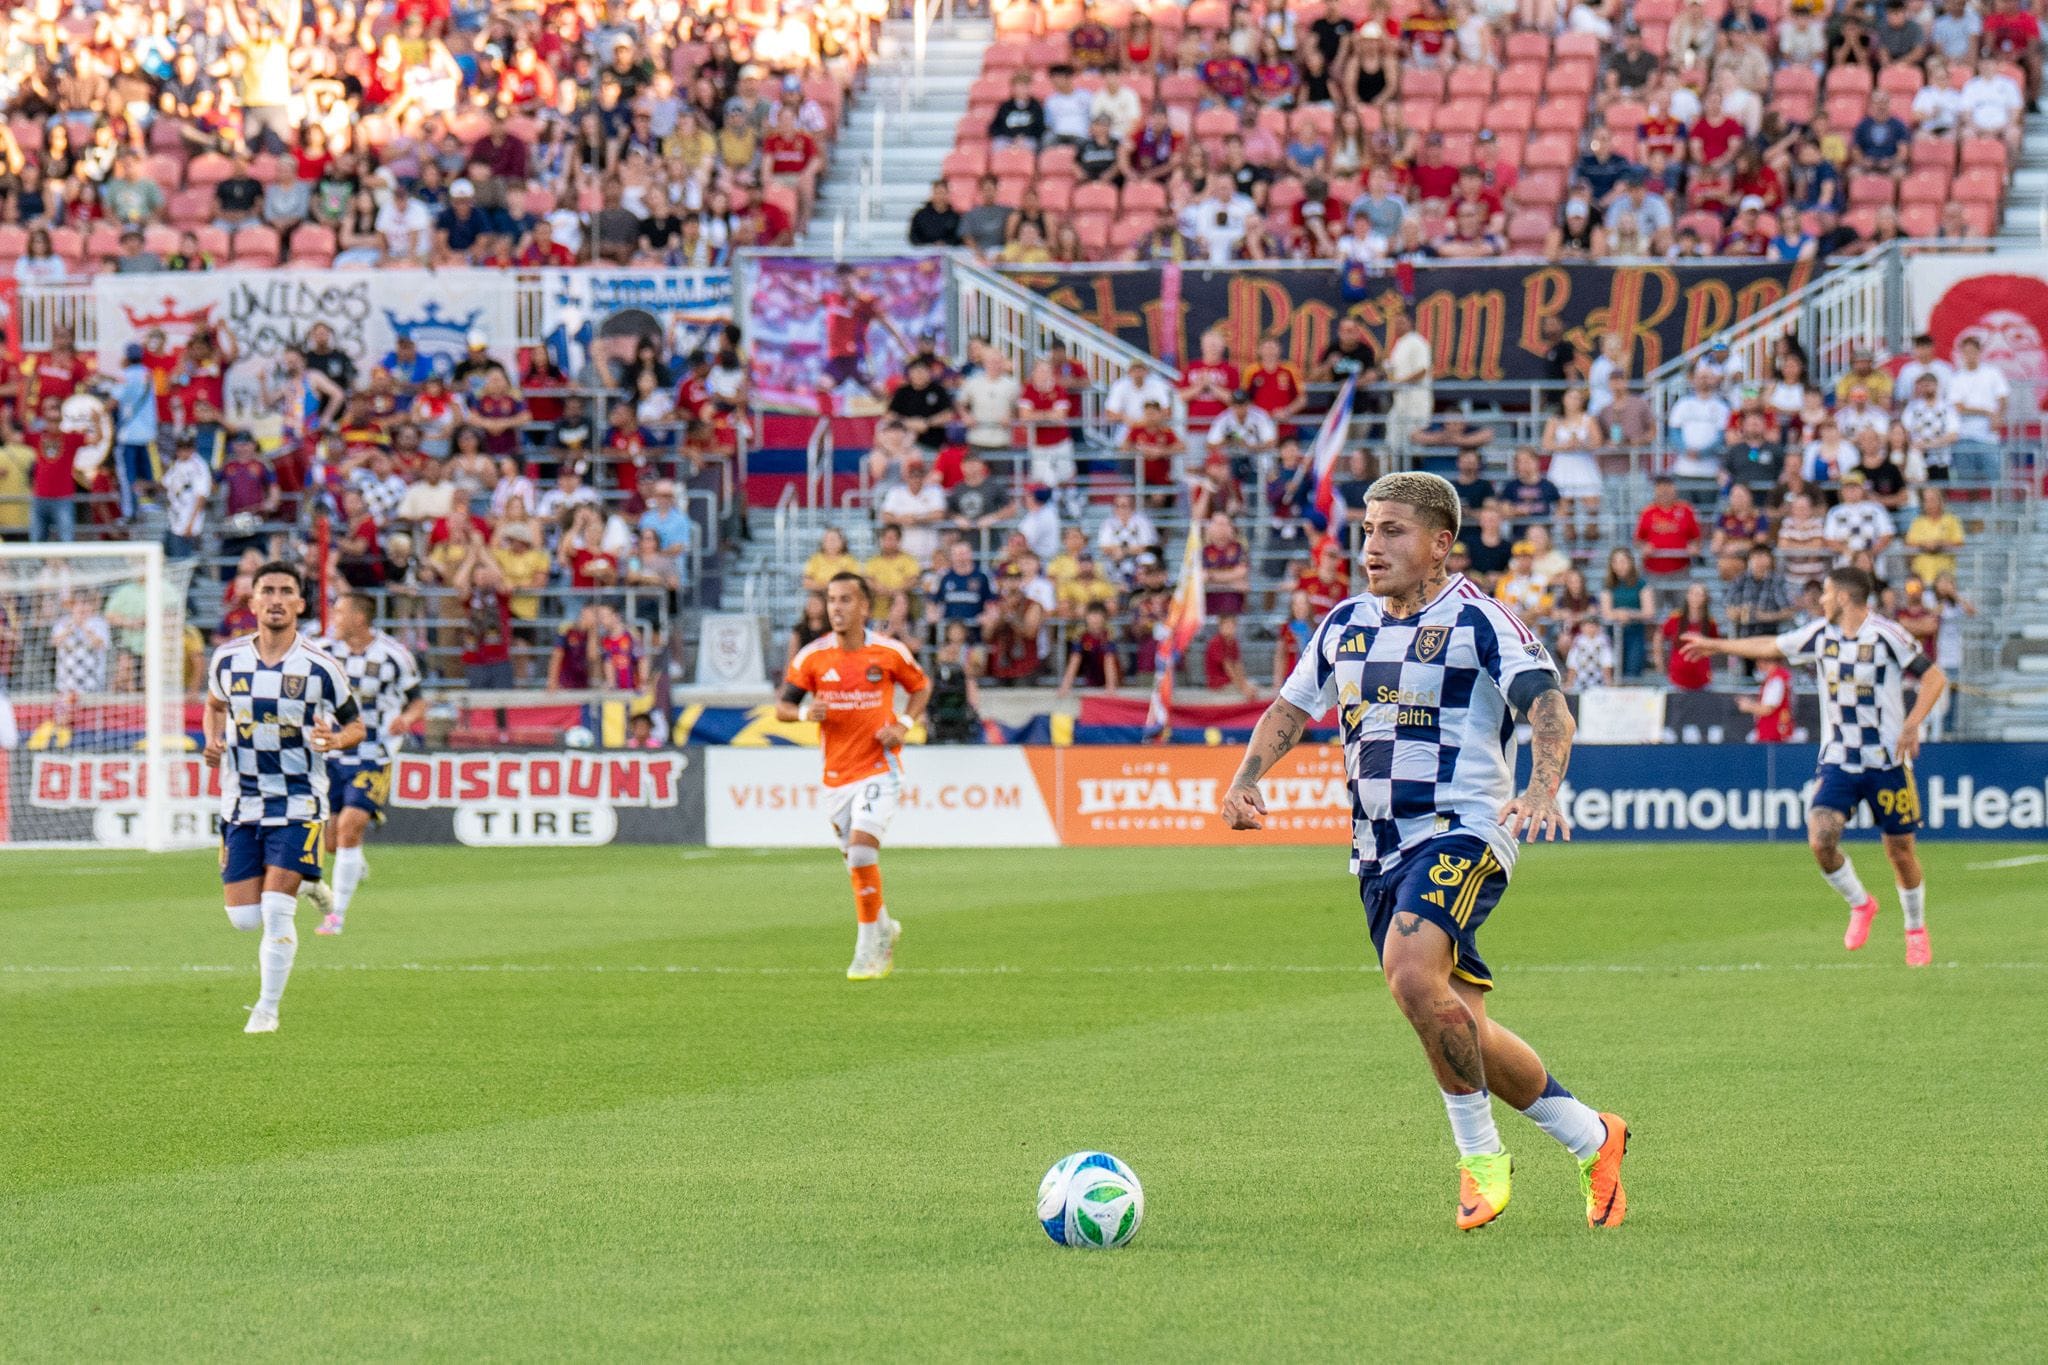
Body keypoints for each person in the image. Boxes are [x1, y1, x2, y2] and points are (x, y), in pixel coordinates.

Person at [1223, 471, 1629, 1232]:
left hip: (1466, 829)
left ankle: (1480, 1161)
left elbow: (1547, 706)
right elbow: (1289, 706)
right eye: (1368, 529)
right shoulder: (1343, 623)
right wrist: (1246, 775)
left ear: (1441, 544)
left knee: (1410, 972)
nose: (1371, 546)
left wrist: (1541, 788)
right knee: (1460, 1025)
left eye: (1392, 530)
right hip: (1378, 854)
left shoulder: (1482, 622)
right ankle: (1593, 1136)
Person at [1682, 568, 1947, 966]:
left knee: (1900, 852)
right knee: (1821, 840)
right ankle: (1861, 904)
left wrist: (1911, 725)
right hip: (1839, 759)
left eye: (1824, 593)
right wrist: (1716, 645)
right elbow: (1770, 644)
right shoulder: (1819, 634)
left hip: (1886, 761)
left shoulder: (1887, 635)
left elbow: (1934, 678)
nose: (1819, 600)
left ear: (1843, 597)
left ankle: (1915, 929)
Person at [202, 562, 365, 1035]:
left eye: (286, 591)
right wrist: (212, 742)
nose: (275, 599)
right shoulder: (227, 660)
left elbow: (356, 725)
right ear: (252, 603)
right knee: (243, 919)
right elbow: (214, 705)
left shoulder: (319, 667)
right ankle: (313, 882)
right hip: (241, 802)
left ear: (299, 604)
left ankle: (266, 1009)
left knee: (275, 911)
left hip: (299, 801)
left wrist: (336, 741)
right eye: (266, 591)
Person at [775, 573, 932, 980]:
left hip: (880, 766)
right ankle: (884, 928)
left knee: (862, 851)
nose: (836, 608)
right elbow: (783, 707)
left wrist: (902, 724)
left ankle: (868, 950)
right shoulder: (812, 657)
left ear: (864, 607)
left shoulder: (889, 653)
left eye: (846, 599)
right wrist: (809, 713)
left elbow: (921, 687)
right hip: (836, 777)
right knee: (855, 863)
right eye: (831, 599)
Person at [301, 594, 425, 938]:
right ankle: (354, 864)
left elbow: (418, 699)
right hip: (333, 754)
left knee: (349, 828)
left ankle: (336, 915)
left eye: (339, 611)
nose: (333, 618)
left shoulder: (393, 655)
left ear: (359, 617)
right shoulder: (323, 651)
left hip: (374, 753)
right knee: (330, 842)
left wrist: (407, 718)